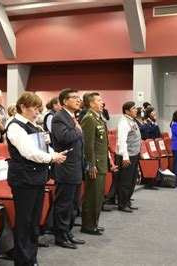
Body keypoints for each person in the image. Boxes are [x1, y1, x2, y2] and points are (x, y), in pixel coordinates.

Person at [6, 91, 66, 266]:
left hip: (36, 178)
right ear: (22, 106)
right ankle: (23, 260)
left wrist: (55, 154)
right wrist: (51, 158)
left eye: (39, 108)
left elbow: (44, 147)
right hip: (23, 180)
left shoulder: (33, 125)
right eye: (34, 108)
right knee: (24, 222)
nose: (37, 112)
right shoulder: (15, 126)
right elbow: (29, 152)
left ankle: (31, 258)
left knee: (33, 221)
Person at [51, 89, 85, 248]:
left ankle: (68, 233)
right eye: (74, 98)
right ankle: (60, 236)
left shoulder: (72, 117)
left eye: (79, 98)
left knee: (73, 204)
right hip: (66, 167)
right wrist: (78, 130)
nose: (78, 100)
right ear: (65, 101)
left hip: (76, 166)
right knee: (63, 204)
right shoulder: (58, 118)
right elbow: (64, 137)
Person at [80, 92, 109, 234]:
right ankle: (88, 225)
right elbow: (88, 145)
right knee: (92, 195)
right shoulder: (89, 119)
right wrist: (90, 164)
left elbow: (102, 143)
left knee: (98, 196)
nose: (102, 103)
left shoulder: (98, 118)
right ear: (91, 104)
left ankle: (94, 223)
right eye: (99, 100)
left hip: (101, 162)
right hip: (95, 164)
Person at [115, 101, 141, 213]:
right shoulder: (124, 122)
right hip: (127, 156)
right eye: (134, 108)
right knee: (125, 181)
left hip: (134, 154)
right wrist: (125, 157)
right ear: (127, 111)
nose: (136, 110)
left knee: (131, 180)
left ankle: (127, 201)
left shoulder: (132, 121)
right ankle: (122, 204)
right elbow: (122, 141)